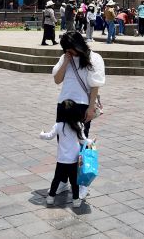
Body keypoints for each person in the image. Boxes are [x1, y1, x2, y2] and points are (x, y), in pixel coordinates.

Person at [52, 31, 105, 200]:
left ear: (79, 44)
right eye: (67, 49)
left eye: (72, 49)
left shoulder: (94, 58)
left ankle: (81, 182)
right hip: (64, 105)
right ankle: (62, 180)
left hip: (82, 105)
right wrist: (66, 61)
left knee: (81, 146)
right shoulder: (65, 58)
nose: (71, 52)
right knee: (63, 144)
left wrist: (90, 108)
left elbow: (95, 85)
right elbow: (57, 79)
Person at [39, 99, 93, 208]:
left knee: (56, 179)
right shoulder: (79, 125)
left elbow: (49, 136)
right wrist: (91, 142)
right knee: (74, 181)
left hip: (62, 159)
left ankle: (50, 197)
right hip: (74, 159)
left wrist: (41, 134)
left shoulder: (58, 125)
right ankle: (76, 200)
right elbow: (83, 140)